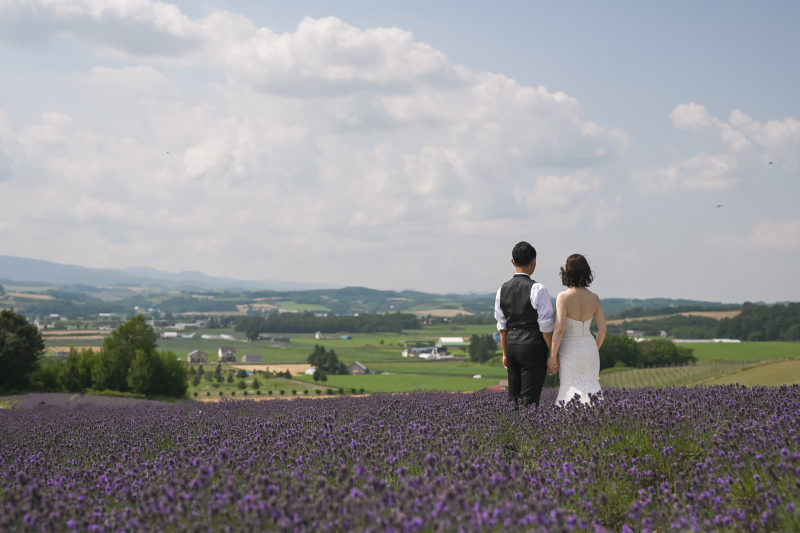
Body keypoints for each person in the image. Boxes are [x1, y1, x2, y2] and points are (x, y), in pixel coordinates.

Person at [495, 241, 554, 407]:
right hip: (533, 346)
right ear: (534, 261)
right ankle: (528, 430)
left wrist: (505, 353)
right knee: (530, 399)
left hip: (511, 345)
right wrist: (553, 354)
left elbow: (502, 327)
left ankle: (512, 430)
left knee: (513, 399)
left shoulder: (502, 290)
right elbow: (546, 326)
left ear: (513, 261)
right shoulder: (538, 289)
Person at [548, 254, 607, 405]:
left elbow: (559, 328)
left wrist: (553, 356)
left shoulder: (563, 297)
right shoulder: (594, 298)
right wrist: (595, 347)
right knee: (592, 386)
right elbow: (603, 330)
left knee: (570, 387)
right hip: (590, 348)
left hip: (570, 350)